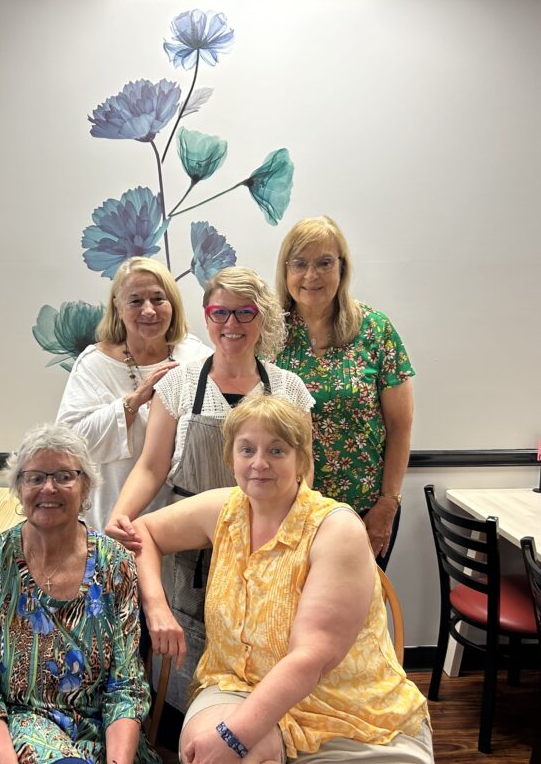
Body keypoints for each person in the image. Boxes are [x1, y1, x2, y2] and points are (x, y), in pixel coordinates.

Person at [135, 396, 432, 764]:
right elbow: (142, 533)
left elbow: (310, 658)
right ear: (231, 459)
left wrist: (231, 736)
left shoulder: (335, 529)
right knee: (214, 755)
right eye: (247, 450)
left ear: (301, 460)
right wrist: (157, 608)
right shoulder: (224, 509)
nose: (259, 463)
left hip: (348, 708)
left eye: (276, 450)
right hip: (238, 685)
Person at [107, 266, 314, 710]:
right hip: (190, 550)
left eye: (244, 313)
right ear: (206, 316)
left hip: (265, 547)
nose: (231, 325)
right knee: (185, 661)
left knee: (258, 655)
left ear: (262, 319)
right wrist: (120, 516)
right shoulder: (181, 383)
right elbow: (151, 466)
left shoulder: (288, 388)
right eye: (221, 313)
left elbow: (304, 477)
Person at [0, 424, 159, 764]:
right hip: (10, 729)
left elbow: (126, 688)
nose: (48, 487)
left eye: (64, 476)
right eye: (34, 478)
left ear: (86, 487)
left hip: (99, 732)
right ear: (19, 488)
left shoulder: (115, 563)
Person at [274, 216, 415, 569]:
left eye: (324, 262)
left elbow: (400, 426)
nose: (311, 276)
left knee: (360, 617)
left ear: (343, 267)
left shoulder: (375, 330)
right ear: (285, 270)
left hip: (364, 510)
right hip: (290, 511)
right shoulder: (269, 334)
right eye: (300, 264)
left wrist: (388, 503)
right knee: (291, 617)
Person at [57, 257, 210, 531]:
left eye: (158, 299)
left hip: (184, 523)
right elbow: (69, 445)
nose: (149, 311)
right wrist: (132, 402)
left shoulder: (197, 356)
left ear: (172, 303)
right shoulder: (95, 364)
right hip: (116, 518)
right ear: (118, 307)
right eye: (136, 301)